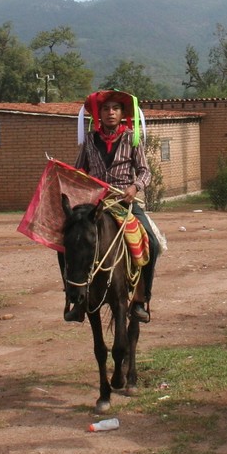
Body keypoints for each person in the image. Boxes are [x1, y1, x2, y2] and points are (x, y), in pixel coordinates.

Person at [67, 89, 160, 323]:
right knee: (67, 244)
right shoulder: (89, 140)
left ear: (122, 113)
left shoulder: (132, 138)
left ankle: (140, 300)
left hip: (124, 202)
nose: (110, 113)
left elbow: (145, 171)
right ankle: (74, 300)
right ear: (99, 114)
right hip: (95, 204)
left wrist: (135, 187)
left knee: (153, 243)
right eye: (106, 109)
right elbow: (79, 171)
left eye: (115, 109)